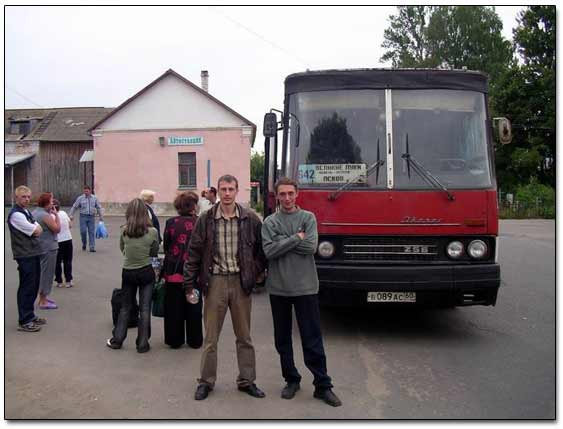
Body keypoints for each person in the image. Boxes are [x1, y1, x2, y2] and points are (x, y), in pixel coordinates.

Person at [184, 174, 267, 401]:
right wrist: (189, 284)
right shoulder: (206, 218)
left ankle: (247, 381)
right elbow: (194, 252)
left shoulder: (250, 218)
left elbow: (262, 251)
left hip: (241, 283)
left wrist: (254, 273)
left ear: (237, 191)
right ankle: (206, 382)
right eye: (223, 189)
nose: (227, 193)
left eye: (231, 189)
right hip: (215, 282)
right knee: (211, 338)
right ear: (217, 192)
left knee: (244, 337)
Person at [261, 177, 342, 407]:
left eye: (290, 193)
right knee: (283, 339)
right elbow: (269, 251)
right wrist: (297, 237)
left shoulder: (308, 218)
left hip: (306, 287)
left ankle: (323, 385)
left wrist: (283, 242)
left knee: (312, 337)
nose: (287, 198)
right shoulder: (270, 221)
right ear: (276, 196)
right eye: (282, 194)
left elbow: (311, 247)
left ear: (297, 194)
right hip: (279, 289)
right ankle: (292, 380)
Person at [106, 198, 159, 353]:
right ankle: (142, 344)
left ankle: (117, 340)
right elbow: (154, 252)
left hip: (128, 271)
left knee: (125, 307)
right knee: (145, 308)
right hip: (146, 271)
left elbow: (122, 249)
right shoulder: (153, 232)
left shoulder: (124, 230)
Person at [162, 191, 203, 349]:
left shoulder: (171, 222)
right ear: (193, 206)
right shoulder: (200, 222)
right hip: (194, 272)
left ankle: (175, 339)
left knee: (174, 307)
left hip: (174, 271)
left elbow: (166, 245)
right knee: (194, 306)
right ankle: (195, 340)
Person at [7, 186, 47, 332]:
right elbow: (36, 230)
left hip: (33, 253)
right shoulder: (16, 214)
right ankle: (24, 320)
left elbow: (38, 229)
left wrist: (35, 228)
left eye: (29, 196)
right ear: (17, 198)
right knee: (27, 287)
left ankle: (30, 315)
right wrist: (35, 228)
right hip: (25, 255)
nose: (27, 199)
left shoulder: (26, 212)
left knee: (34, 286)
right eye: (24, 197)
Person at [32, 192, 61, 310]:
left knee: (42, 272)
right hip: (49, 247)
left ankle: (43, 297)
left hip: (39, 246)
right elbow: (57, 229)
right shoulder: (45, 216)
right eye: (51, 201)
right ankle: (43, 300)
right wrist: (56, 215)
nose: (53, 202)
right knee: (47, 274)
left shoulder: (35, 212)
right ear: (46, 203)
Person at [69, 185, 104, 252]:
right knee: (83, 231)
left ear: (90, 191)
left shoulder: (94, 198)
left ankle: (92, 247)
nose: (86, 192)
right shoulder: (80, 198)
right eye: (84, 191)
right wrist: (71, 215)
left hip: (91, 217)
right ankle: (84, 243)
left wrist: (101, 217)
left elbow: (98, 207)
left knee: (91, 232)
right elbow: (74, 207)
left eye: (87, 191)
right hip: (83, 217)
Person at [53, 199, 74, 288]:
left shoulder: (50, 216)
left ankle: (59, 281)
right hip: (68, 239)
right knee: (68, 261)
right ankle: (68, 281)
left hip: (57, 241)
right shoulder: (64, 213)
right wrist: (71, 220)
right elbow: (70, 225)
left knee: (57, 262)